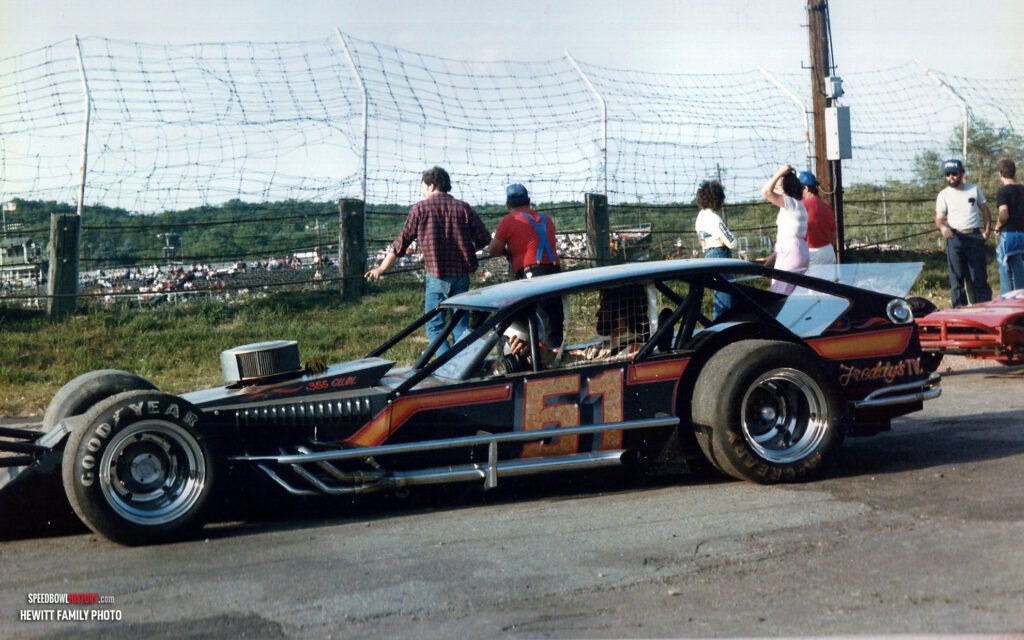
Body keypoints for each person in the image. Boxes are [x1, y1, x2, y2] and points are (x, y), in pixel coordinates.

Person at [366, 166, 491, 354]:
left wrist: (381, 268)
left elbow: (401, 243)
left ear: (432, 186)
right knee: (460, 325)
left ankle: (444, 364)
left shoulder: (420, 209)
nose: (423, 191)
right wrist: (468, 251)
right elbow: (484, 239)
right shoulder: (464, 208)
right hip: (461, 276)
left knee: (435, 326)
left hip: (436, 276)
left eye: (424, 186)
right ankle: (464, 362)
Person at [503, 285, 650, 371]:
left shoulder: (634, 351)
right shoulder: (604, 347)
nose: (598, 313)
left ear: (621, 310)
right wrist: (532, 351)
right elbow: (571, 360)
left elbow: (590, 367)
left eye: (604, 307)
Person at [488, 183, 564, 345]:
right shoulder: (546, 219)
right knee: (553, 318)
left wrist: (507, 252)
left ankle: (534, 352)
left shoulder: (509, 220)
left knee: (531, 319)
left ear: (507, 204)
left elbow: (493, 250)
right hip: (555, 271)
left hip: (532, 274)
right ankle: (555, 352)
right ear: (529, 202)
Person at [935, 159, 992, 307]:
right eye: (947, 174)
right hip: (955, 239)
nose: (951, 177)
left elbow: (985, 210)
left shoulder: (974, 189)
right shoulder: (943, 195)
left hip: (974, 236)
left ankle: (985, 310)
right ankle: (959, 312)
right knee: (956, 279)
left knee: (979, 277)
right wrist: (943, 228)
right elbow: (939, 219)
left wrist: (986, 232)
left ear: (961, 174)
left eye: (954, 173)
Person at [761, 164, 809, 295]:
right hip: (799, 250)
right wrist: (774, 255)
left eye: (779, 184)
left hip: (790, 252)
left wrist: (780, 172)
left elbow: (766, 192)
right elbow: (789, 233)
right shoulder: (796, 205)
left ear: (785, 187)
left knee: (779, 295)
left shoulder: (789, 202)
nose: (775, 186)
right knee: (792, 295)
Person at [694, 179, 737, 318]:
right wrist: (726, 241)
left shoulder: (700, 216)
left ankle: (719, 323)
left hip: (708, 254)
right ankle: (723, 325)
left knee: (719, 295)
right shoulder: (714, 218)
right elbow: (732, 242)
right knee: (725, 295)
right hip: (720, 255)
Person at [994, 158, 1024, 295]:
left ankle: (1006, 299)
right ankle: (1021, 298)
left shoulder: (1003, 192)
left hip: (1009, 234)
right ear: (1014, 172)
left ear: (1000, 173)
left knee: (1004, 267)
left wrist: (997, 226)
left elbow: (1004, 214)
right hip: (1022, 234)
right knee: (1017, 265)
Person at [797, 170, 837, 265]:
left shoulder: (801, 206)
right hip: (829, 251)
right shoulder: (826, 206)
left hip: (812, 253)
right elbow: (833, 233)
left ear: (806, 188)